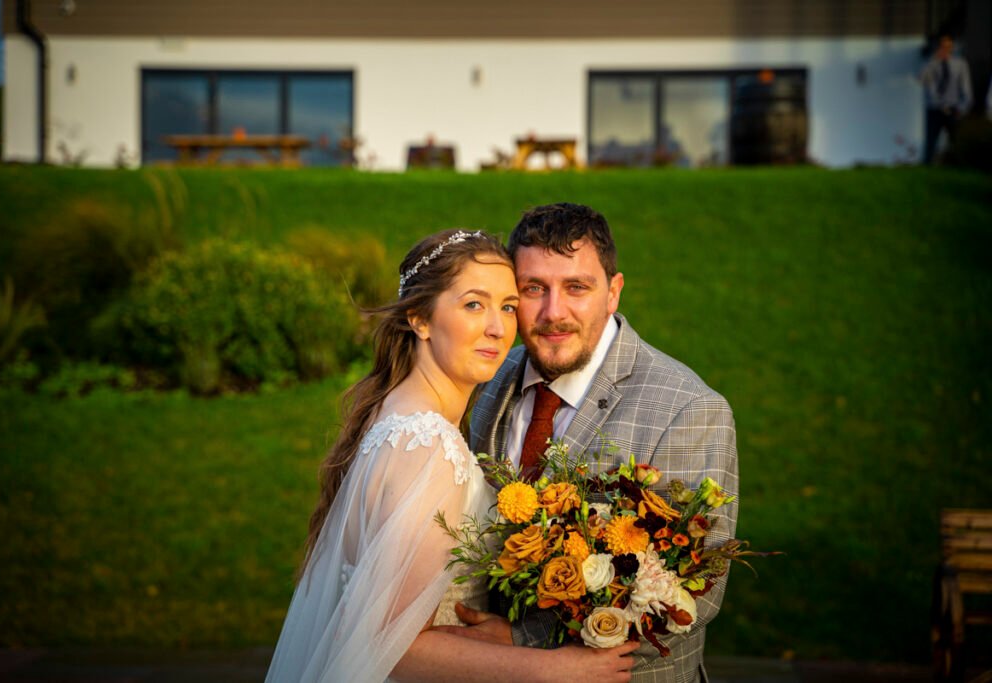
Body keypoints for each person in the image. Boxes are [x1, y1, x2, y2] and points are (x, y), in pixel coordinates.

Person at [265, 228, 638, 682]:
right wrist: (554, 669)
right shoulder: (428, 446)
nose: (499, 329)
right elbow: (388, 645)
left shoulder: (395, 411)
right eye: (473, 305)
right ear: (420, 319)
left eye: (508, 306)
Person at [454, 204, 739, 682]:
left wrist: (517, 641)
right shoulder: (488, 379)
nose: (553, 313)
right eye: (533, 289)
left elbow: (696, 595)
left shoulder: (688, 411)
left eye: (577, 288)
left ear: (613, 292)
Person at [921, 35, 973, 164]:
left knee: (956, 141)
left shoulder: (959, 64)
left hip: (953, 108)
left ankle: (958, 165)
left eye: (948, 47)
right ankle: (927, 167)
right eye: (942, 47)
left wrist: (962, 107)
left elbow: (965, 87)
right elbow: (923, 80)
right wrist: (933, 61)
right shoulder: (931, 64)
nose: (945, 49)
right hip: (934, 108)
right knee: (931, 142)